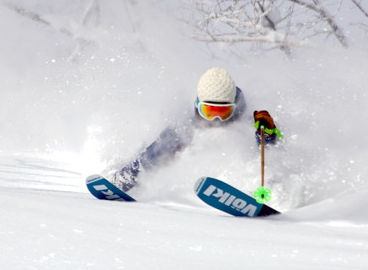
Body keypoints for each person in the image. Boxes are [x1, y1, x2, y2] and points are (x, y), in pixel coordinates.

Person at [110, 67, 282, 192]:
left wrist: (268, 134)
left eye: (223, 112)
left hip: (250, 189)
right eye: (209, 111)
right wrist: (121, 182)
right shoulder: (185, 129)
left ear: (234, 107)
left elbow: (275, 156)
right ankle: (124, 180)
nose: (216, 119)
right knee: (168, 142)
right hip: (193, 191)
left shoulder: (249, 123)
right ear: (198, 106)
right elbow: (152, 156)